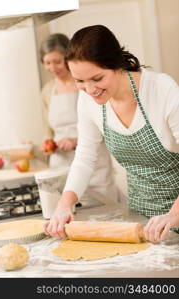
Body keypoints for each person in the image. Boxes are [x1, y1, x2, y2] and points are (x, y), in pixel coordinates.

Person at [43, 25, 179, 243]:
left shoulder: (161, 89)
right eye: (80, 81)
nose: (89, 89)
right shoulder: (88, 99)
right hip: (141, 218)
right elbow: (85, 157)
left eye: (97, 79)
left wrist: (174, 215)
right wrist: (64, 204)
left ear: (117, 65)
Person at [40, 33, 119, 204]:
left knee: (102, 209)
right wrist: (48, 142)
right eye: (47, 63)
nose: (53, 67)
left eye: (57, 61)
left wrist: (76, 141)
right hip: (60, 162)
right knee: (67, 209)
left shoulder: (88, 87)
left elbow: (105, 124)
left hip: (94, 161)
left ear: (68, 59)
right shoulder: (48, 90)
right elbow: (48, 126)